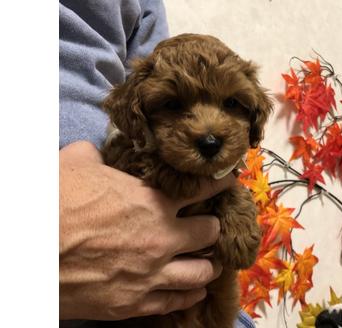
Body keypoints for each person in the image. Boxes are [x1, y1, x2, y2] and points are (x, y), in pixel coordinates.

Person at [59, 1, 255, 327]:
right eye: (174, 105)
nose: (208, 130)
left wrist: (231, 198)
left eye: (231, 103)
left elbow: (239, 254)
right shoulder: (129, 140)